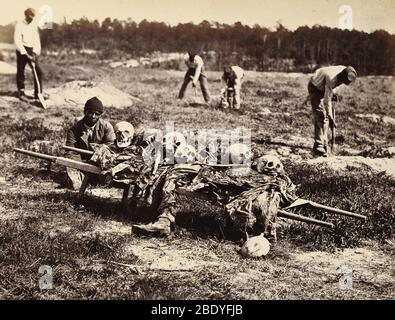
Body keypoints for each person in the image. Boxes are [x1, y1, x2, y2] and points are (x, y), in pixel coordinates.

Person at [65, 97, 115, 190]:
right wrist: (82, 167)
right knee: (75, 185)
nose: (93, 116)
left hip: (100, 164)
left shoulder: (107, 127)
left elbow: (111, 147)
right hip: (82, 165)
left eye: (97, 114)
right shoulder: (74, 130)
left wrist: (97, 160)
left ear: (101, 115)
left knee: (108, 181)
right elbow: (71, 152)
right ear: (85, 111)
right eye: (90, 112)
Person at [308, 65, 357, 157]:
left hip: (326, 85)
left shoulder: (345, 70)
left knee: (325, 117)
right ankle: (319, 145)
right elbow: (327, 101)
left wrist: (334, 93)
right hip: (315, 86)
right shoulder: (332, 78)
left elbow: (335, 85)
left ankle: (324, 143)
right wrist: (330, 116)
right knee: (321, 115)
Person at [14, 8, 44, 103]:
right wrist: (25, 54)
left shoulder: (33, 26)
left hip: (32, 50)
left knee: (39, 72)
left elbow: (36, 40)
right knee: (21, 71)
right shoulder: (19, 25)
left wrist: (35, 53)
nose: (32, 18)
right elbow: (17, 40)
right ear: (26, 15)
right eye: (30, 16)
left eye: (33, 16)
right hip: (22, 50)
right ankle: (21, 93)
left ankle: (38, 94)